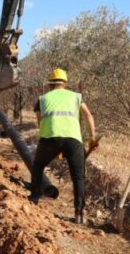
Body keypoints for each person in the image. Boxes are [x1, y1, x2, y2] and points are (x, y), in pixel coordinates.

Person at [28, 68, 97, 224]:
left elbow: (40, 122)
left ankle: (34, 198)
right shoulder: (76, 97)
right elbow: (88, 116)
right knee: (78, 178)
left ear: (51, 84)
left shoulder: (42, 99)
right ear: (65, 83)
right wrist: (92, 138)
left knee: (38, 166)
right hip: (73, 140)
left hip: (49, 138)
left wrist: (54, 145)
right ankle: (79, 214)